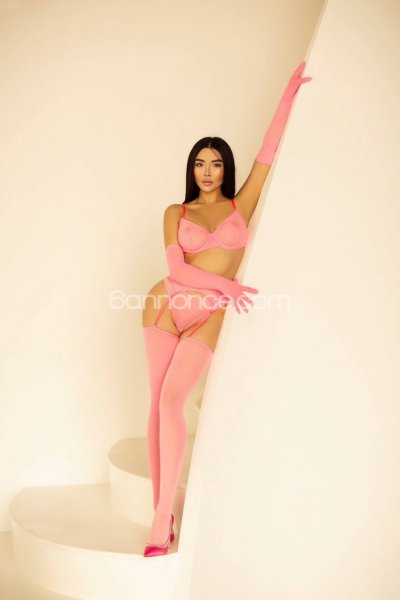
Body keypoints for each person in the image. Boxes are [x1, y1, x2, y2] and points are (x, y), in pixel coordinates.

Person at [141, 61, 312, 557]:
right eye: (200, 163)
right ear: (191, 169)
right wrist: (226, 284)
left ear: (225, 169)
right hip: (163, 306)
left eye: (215, 164)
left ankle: (162, 517)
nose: (207, 172)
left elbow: (267, 153)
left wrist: (288, 95)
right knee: (156, 406)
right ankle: (161, 518)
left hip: (209, 314)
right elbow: (176, 266)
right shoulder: (176, 212)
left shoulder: (242, 204)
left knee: (173, 401)